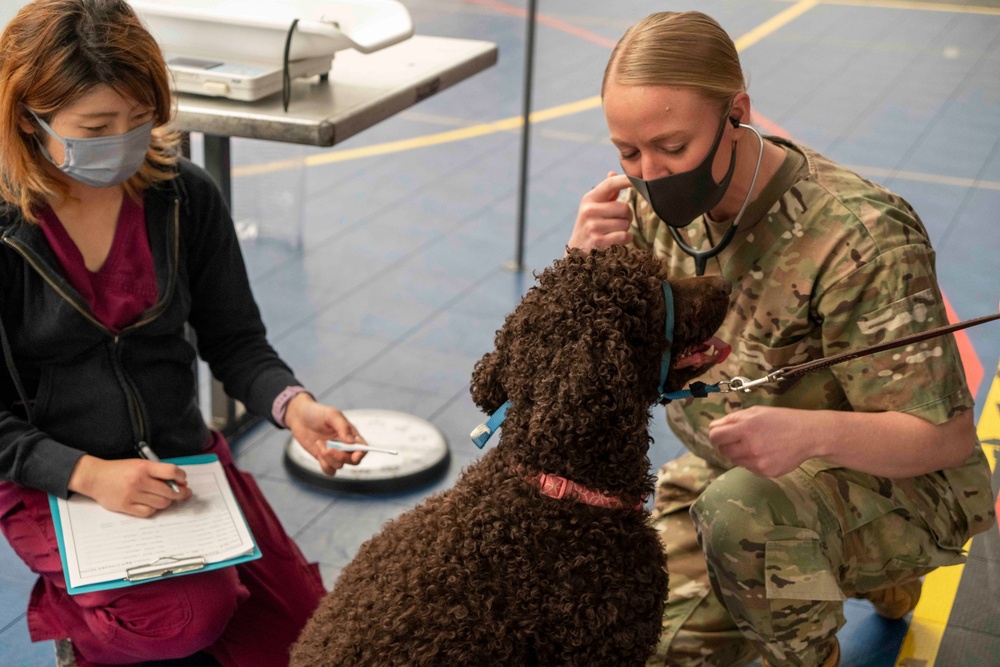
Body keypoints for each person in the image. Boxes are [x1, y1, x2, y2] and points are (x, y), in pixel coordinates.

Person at [568, 10, 995, 667]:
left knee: (745, 515)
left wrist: (809, 433)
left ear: (737, 111)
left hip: (899, 485)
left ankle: (815, 637)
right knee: (635, 645)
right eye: (629, 152)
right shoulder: (645, 216)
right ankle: (868, 578)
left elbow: (944, 437)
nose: (650, 173)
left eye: (673, 147)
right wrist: (584, 274)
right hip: (729, 483)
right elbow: (600, 379)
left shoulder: (857, 234)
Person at [0, 1, 369, 665]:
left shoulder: (184, 197)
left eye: (139, 122)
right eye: (96, 127)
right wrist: (86, 474)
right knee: (185, 618)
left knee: (306, 633)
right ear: (29, 120)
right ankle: (79, 629)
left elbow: (236, 340)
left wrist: (294, 404)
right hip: (50, 473)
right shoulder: (6, 229)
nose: (122, 141)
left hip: (179, 463)